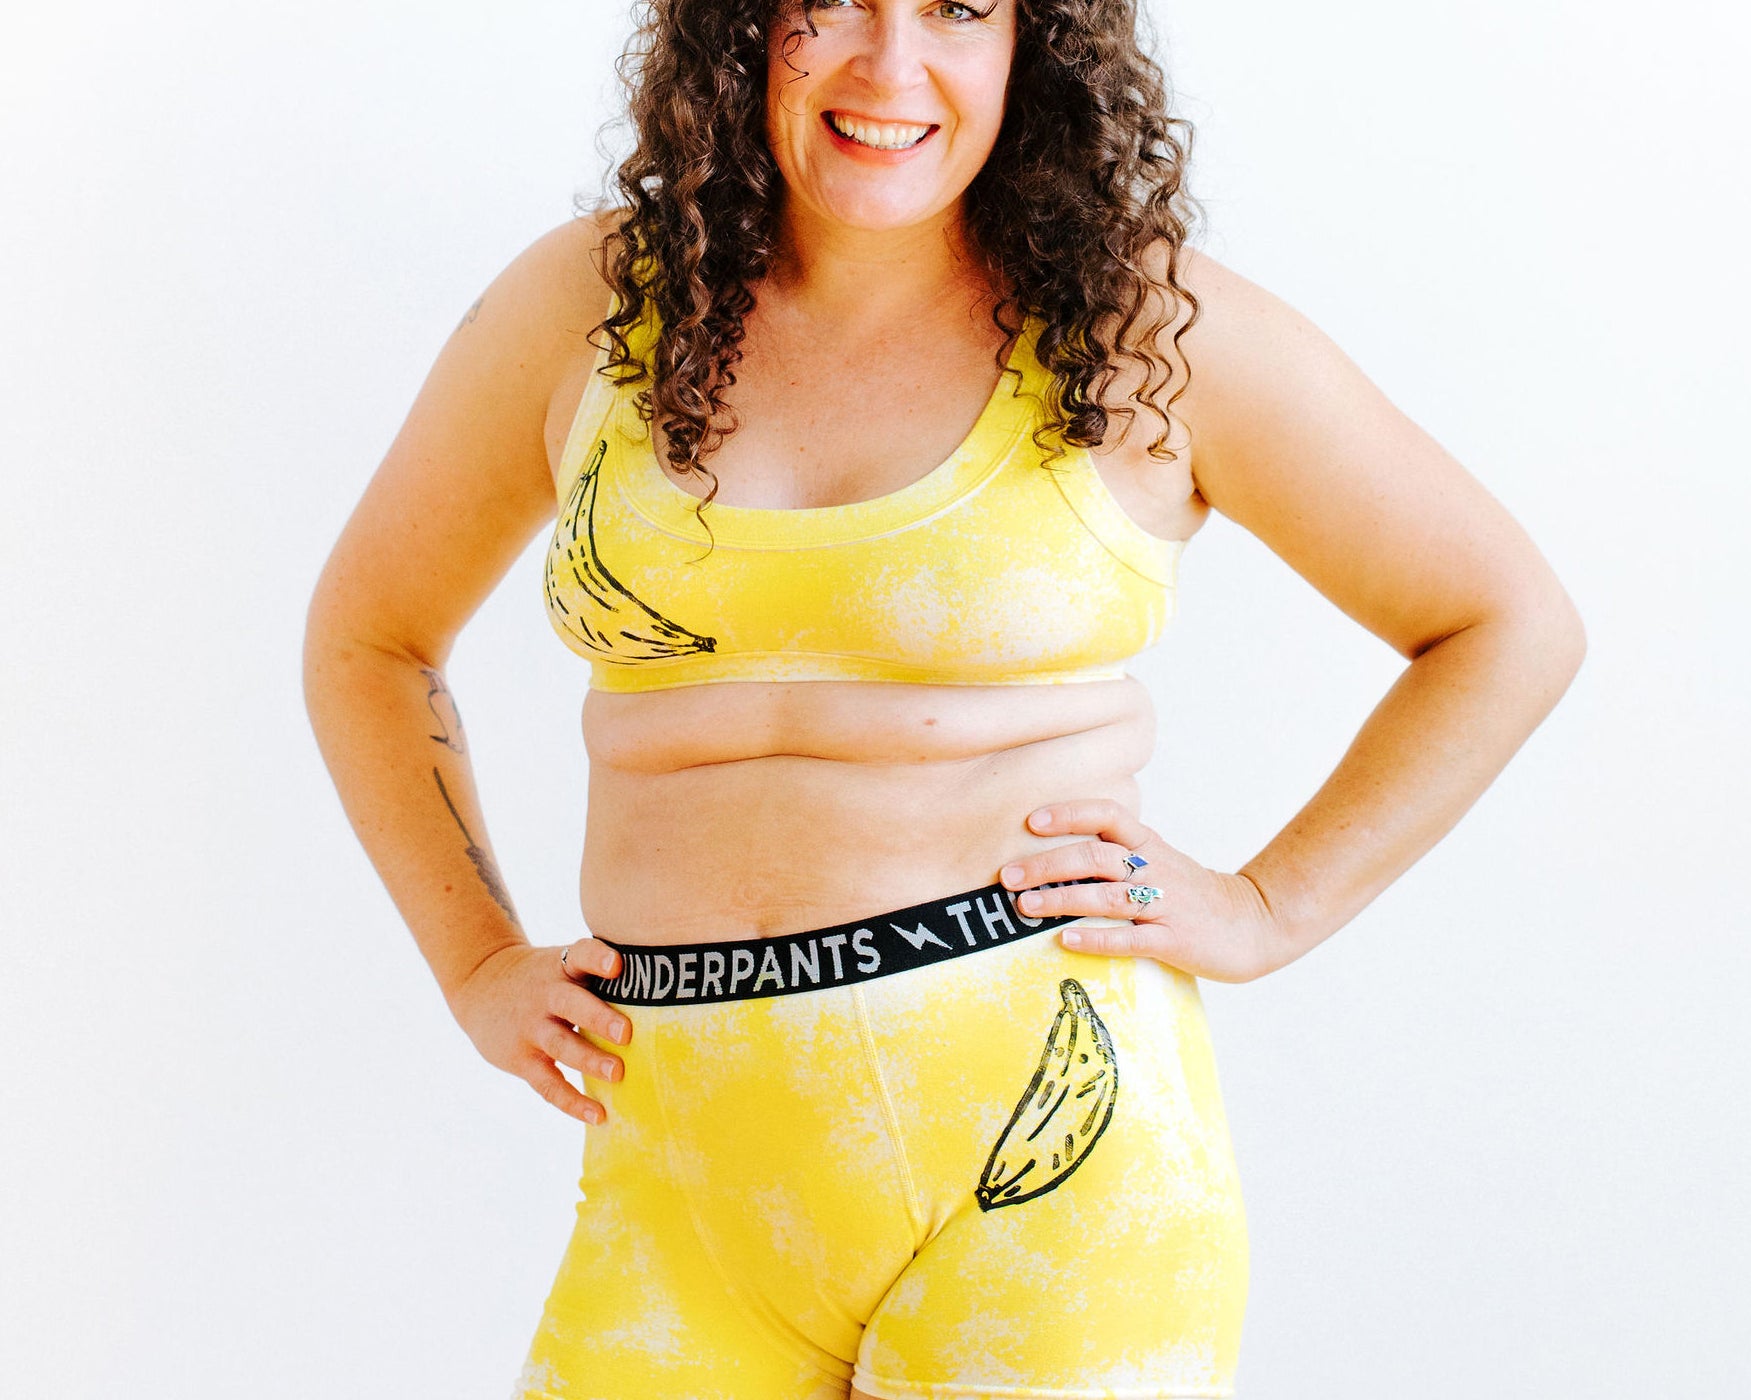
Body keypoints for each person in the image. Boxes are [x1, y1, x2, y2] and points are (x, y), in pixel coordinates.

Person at [303, 0, 1584, 1396]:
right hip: (681, 1161)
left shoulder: (1140, 329)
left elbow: (1506, 620)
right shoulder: (592, 303)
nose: (890, 66)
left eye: (958, 10)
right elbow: (372, 637)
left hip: (1052, 1158)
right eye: (831, 3)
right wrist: (477, 962)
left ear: (1034, 44)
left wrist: (1272, 907)